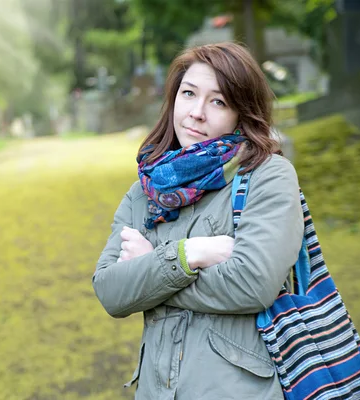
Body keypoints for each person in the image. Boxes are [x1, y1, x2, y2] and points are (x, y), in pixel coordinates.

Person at [92, 42, 304, 399]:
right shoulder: (146, 189)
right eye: (188, 94)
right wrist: (190, 253)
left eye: (218, 101)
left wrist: (150, 268)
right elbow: (111, 291)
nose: (197, 113)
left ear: (242, 112)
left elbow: (253, 285)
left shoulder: (268, 176)